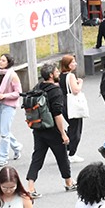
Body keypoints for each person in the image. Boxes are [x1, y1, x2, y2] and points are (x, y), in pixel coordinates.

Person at [24, 62, 75, 196]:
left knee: (37, 158)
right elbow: (57, 114)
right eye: (56, 71)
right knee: (62, 157)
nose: (58, 73)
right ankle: (69, 182)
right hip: (52, 129)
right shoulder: (55, 91)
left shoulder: (38, 86)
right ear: (51, 75)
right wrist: (63, 133)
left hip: (38, 128)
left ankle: (30, 186)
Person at [0, 53, 25, 166]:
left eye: (3, 60)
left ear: (8, 63)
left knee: (4, 132)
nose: (0, 62)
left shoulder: (13, 76)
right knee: (2, 130)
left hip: (9, 105)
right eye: (0, 60)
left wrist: (5, 96)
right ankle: (17, 146)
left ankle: (3, 157)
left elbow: (18, 92)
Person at [58, 53, 87, 161]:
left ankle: (68, 148)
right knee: (76, 128)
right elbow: (75, 90)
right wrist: (80, 83)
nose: (75, 64)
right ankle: (72, 153)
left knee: (72, 126)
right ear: (69, 65)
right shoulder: (71, 76)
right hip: (72, 103)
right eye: (73, 62)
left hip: (63, 102)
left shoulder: (60, 76)